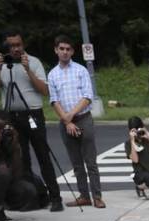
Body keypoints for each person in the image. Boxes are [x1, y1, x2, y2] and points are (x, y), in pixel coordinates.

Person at [0, 31, 63, 213]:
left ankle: (55, 197)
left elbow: (45, 91)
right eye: (12, 46)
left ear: (23, 45)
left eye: (18, 45)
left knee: (43, 155)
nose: (15, 49)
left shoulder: (34, 62)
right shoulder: (3, 64)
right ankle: (32, 196)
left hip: (32, 114)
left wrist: (27, 69)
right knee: (21, 159)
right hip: (11, 116)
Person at [48, 36, 105, 209]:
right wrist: (66, 122)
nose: (65, 52)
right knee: (76, 163)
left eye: (68, 49)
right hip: (65, 123)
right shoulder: (52, 74)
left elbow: (87, 96)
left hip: (83, 119)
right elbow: (54, 100)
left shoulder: (81, 70)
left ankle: (97, 196)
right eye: (62, 48)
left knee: (91, 161)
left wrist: (70, 116)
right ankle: (84, 195)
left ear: (72, 51)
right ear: (56, 50)